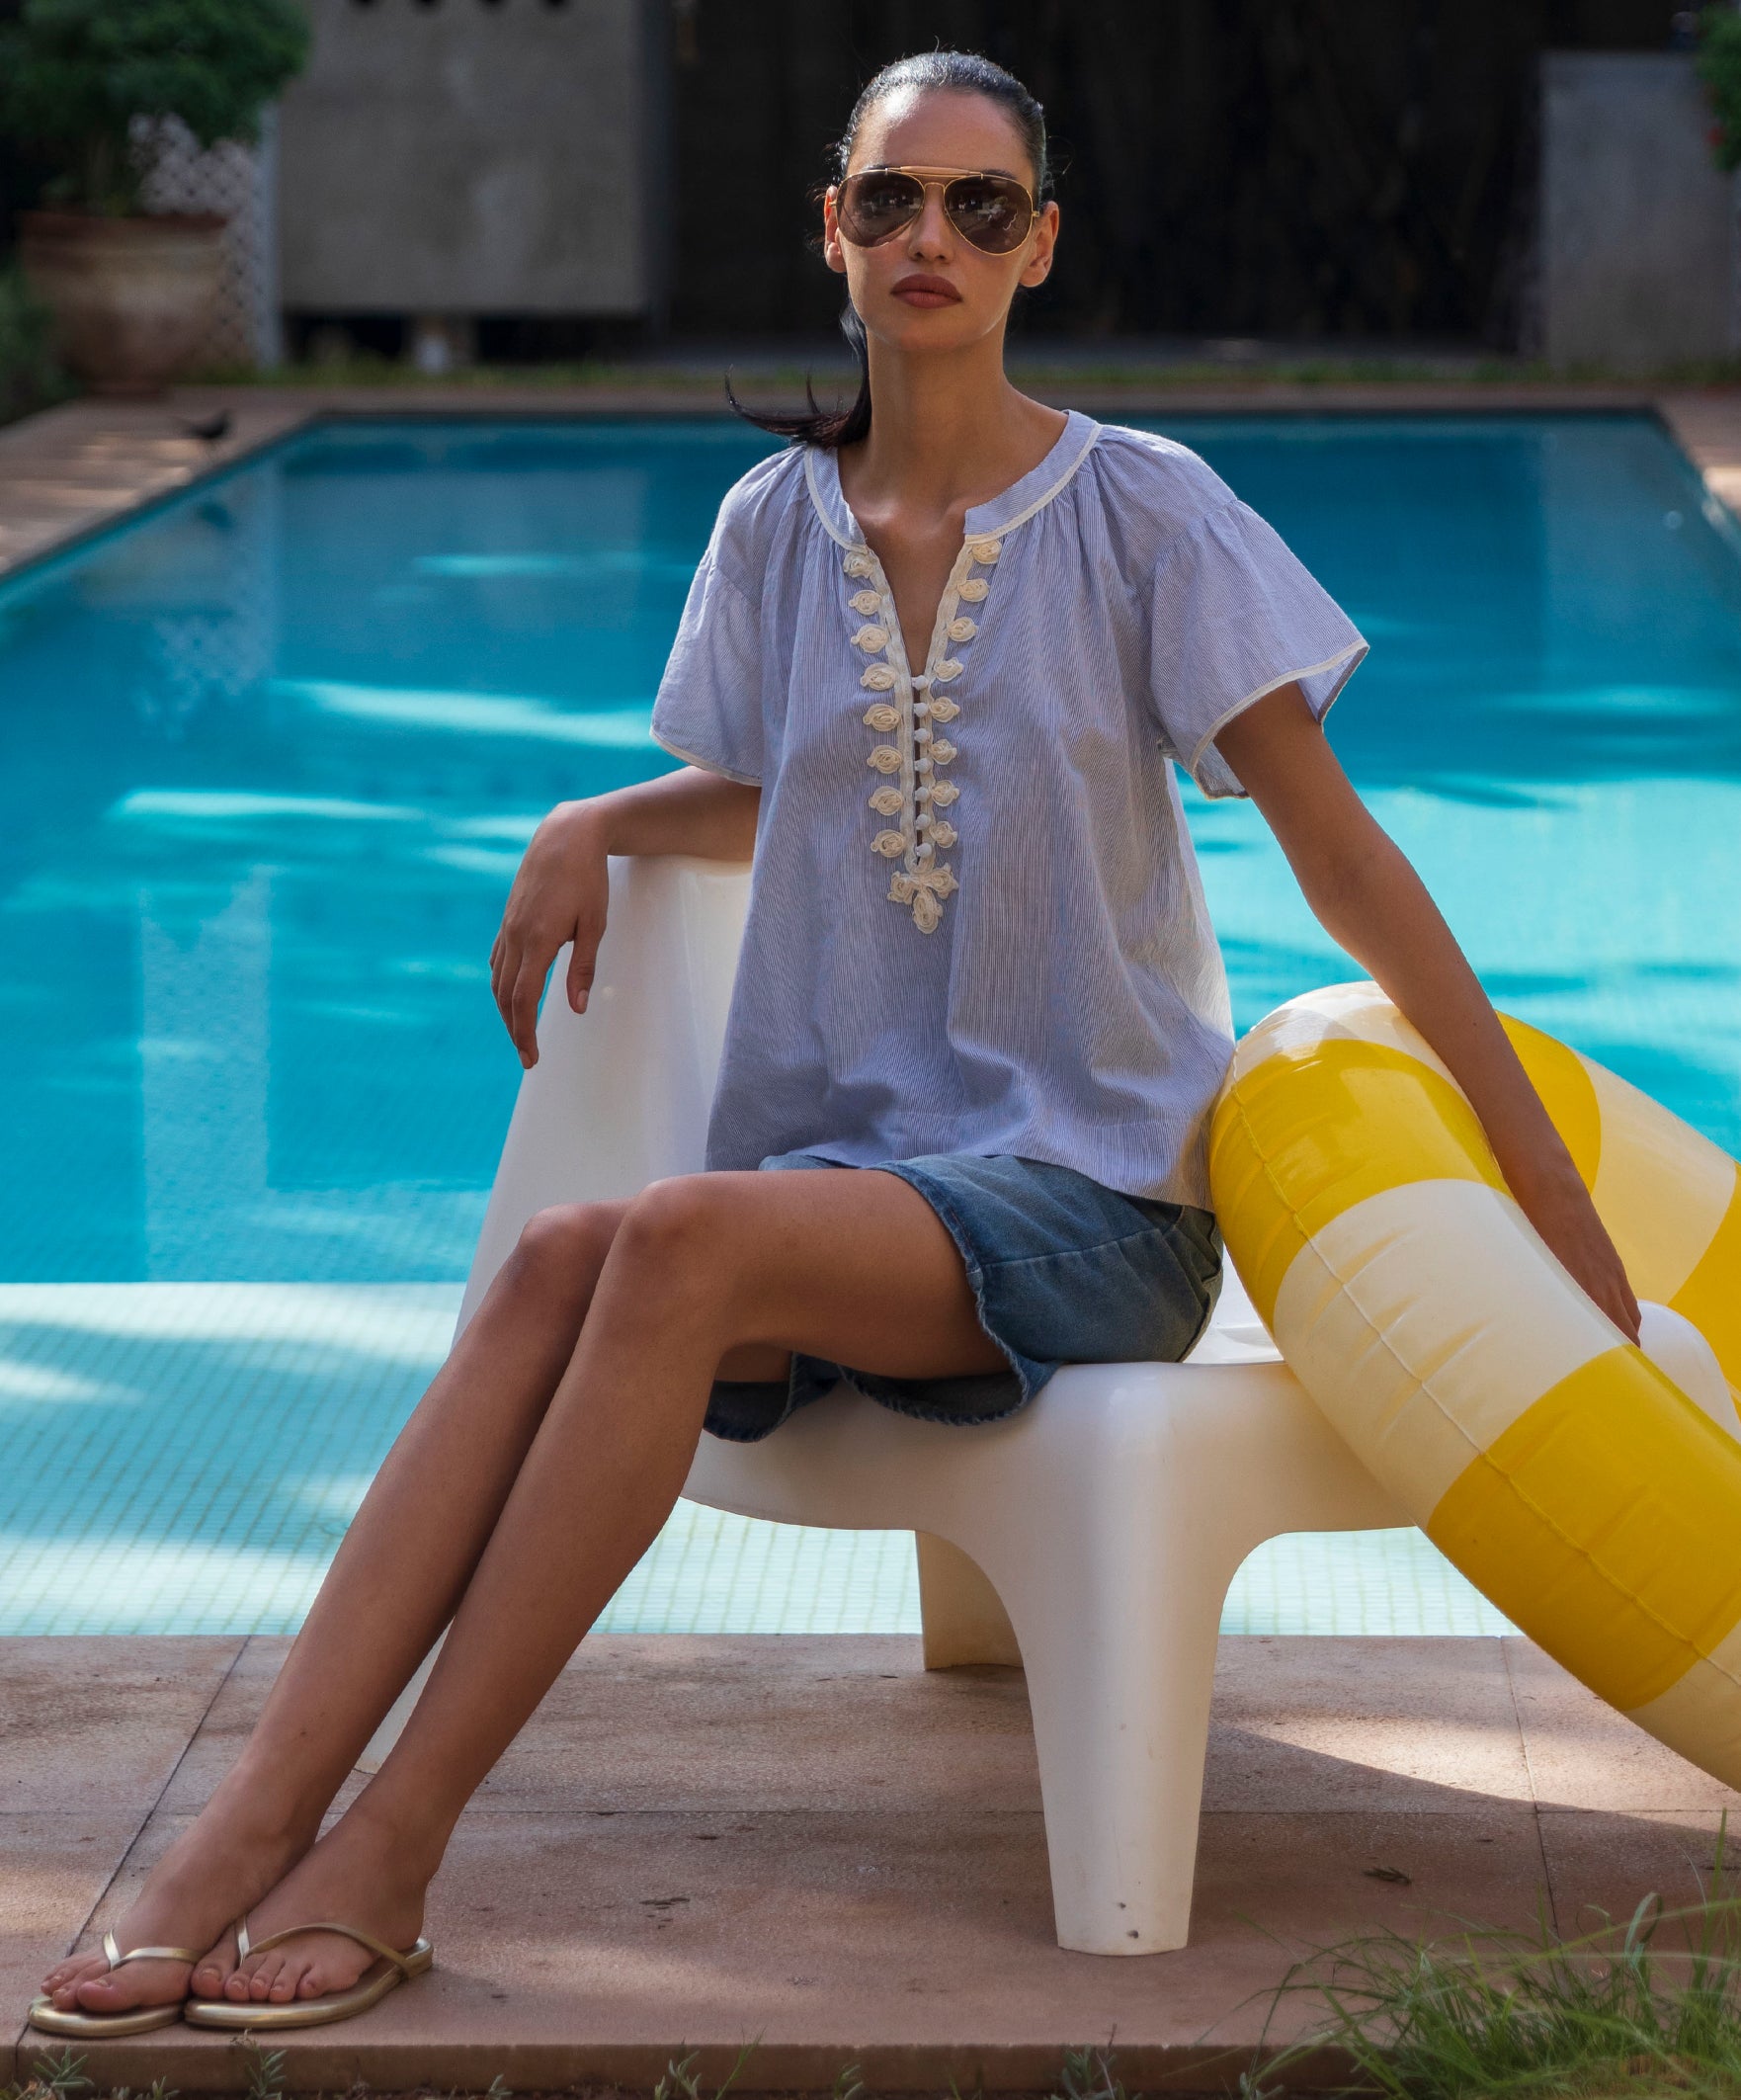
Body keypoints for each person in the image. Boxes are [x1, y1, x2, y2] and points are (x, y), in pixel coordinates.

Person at [32, 48, 1637, 2035]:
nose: (929, 237)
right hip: (840, 1195)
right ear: (832, 233)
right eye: (890, 200)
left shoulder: (1146, 514)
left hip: (1095, 1200)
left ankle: (392, 1845)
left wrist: (1536, 1169)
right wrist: (590, 818)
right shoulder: (771, 525)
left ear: (1038, 243)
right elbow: (776, 780)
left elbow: (1342, 859)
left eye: (978, 205)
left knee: (674, 1241)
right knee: (555, 1258)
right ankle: (235, 1831)